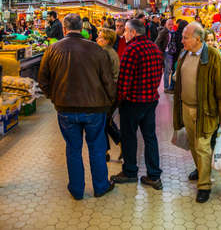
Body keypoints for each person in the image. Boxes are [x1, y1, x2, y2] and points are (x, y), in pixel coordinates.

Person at [38, 13, 116, 200]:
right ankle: (100, 187)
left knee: (73, 149)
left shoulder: (52, 49)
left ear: (64, 29)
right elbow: (108, 81)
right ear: (82, 28)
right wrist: (110, 102)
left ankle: (77, 190)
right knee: (96, 148)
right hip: (94, 109)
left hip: (65, 109)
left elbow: (42, 80)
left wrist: (54, 97)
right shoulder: (97, 49)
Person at [173, 22, 221, 203]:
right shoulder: (185, 54)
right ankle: (200, 170)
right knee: (193, 145)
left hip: (205, 111)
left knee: (203, 147)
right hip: (186, 108)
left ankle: (204, 185)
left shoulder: (213, 56)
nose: (182, 40)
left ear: (197, 39)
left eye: (185, 37)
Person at [111, 19, 163, 190]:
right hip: (150, 100)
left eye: (126, 31)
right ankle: (154, 175)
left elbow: (124, 82)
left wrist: (117, 102)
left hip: (133, 102)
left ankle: (130, 171)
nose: (124, 34)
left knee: (129, 137)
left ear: (133, 32)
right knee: (150, 138)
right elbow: (158, 75)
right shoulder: (154, 48)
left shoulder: (131, 49)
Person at [97, 27, 121, 161]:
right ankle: (109, 148)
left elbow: (104, 75)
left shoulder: (104, 53)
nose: (97, 39)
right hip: (112, 90)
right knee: (106, 121)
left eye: (99, 37)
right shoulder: (111, 51)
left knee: (104, 121)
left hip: (108, 91)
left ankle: (106, 150)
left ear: (106, 40)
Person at [155, 18, 177, 93]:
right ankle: (166, 87)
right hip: (166, 53)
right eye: (169, 24)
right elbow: (157, 42)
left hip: (170, 53)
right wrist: (160, 52)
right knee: (167, 71)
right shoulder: (164, 31)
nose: (171, 26)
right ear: (165, 25)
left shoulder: (172, 32)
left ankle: (166, 86)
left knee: (167, 70)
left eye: (172, 24)